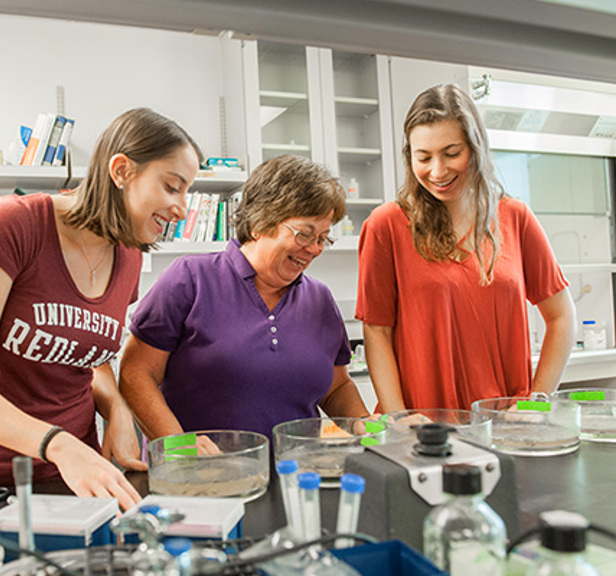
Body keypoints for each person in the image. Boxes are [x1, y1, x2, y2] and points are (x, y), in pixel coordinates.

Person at [0, 108, 202, 509]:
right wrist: (58, 444)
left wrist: (115, 407)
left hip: (74, 472)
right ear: (121, 170)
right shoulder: (15, 226)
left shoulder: (128, 256)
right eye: (173, 187)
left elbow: (88, 352)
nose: (182, 208)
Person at [119, 154, 371, 443]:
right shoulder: (190, 279)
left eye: (323, 238)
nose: (314, 249)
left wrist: (363, 425)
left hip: (295, 473)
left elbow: (336, 387)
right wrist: (179, 447)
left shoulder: (320, 299)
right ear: (261, 222)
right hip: (201, 475)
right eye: (305, 234)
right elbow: (136, 373)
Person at [356, 84, 575, 413]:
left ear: (476, 147)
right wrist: (399, 417)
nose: (438, 171)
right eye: (424, 157)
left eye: (451, 153)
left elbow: (561, 316)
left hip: (507, 425)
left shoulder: (515, 218)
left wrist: (537, 402)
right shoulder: (386, 225)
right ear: (409, 157)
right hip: (424, 430)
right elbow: (376, 331)